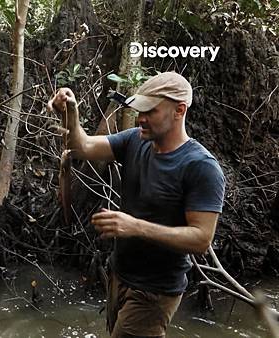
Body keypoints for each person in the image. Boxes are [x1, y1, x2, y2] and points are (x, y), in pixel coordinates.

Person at [48, 72, 225, 338]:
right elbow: (81, 146)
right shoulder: (136, 139)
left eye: (150, 111)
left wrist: (135, 226)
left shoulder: (201, 167)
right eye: (139, 110)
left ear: (179, 111)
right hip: (120, 276)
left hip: (154, 292)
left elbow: (201, 239)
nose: (141, 118)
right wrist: (70, 112)